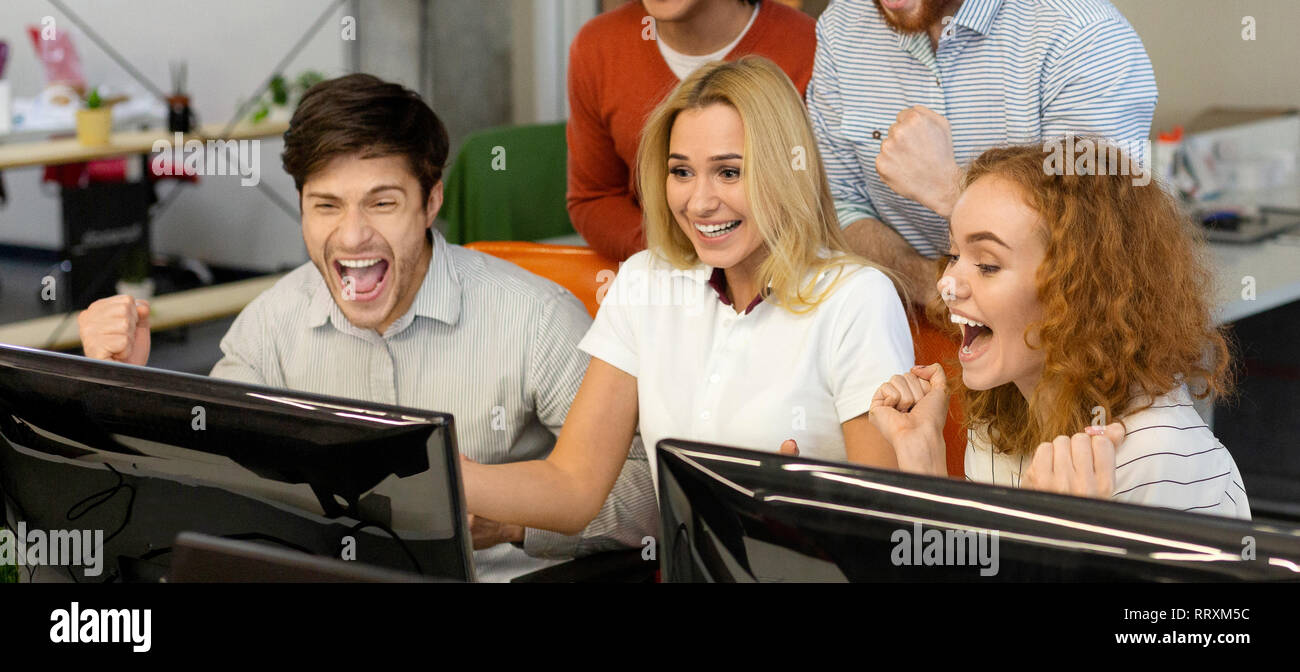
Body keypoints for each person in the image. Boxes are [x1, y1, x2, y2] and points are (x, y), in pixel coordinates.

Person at [75, 73, 658, 581]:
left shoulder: (534, 316)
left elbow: (647, 497)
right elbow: (213, 484)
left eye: (381, 204)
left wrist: (515, 523)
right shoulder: (270, 326)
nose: (352, 236)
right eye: (326, 206)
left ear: (431, 202)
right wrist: (121, 389)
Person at [462, 57, 915, 536]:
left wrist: (798, 507)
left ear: (787, 170)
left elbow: (884, 526)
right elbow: (573, 487)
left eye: (729, 172)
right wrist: (442, 474)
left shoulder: (858, 298)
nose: (699, 202)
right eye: (681, 172)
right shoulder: (643, 283)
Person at [865, 140, 1250, 519]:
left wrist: (1064, 535)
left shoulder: (1161, 459)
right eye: (953, 255)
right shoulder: (1001, 421)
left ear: (1081, 290)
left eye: (987, 265)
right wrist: (924, 465)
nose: (947, 285)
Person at [807, 0, 1157, 304]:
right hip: (907, 325)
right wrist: (935, 287)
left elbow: (1095, 238)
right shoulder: (842, 26)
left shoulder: (1085, 34)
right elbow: (835, 204)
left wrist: (951, 190)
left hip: (1059, 343)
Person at [567, 0, 816, 262]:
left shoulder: (812, 46)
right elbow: (595, 197)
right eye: (681, 172)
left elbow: (828, 201)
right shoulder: (598, 46)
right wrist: (680, 258)